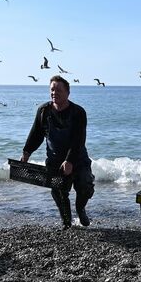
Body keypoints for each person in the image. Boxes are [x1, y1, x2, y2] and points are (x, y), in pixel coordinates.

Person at [21, 75, 95, 229]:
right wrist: (27, 152)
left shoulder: (78, 112)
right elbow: (36, 134)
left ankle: (80, 209)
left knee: (85, 188)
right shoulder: (43, 111)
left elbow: (79, 139)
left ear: (68, 92)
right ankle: (67, 222)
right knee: (58, 192)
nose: (54, 93)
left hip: (78, 158)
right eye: (52, 90)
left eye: (58, 90)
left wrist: (69, 160)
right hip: (54, 159)